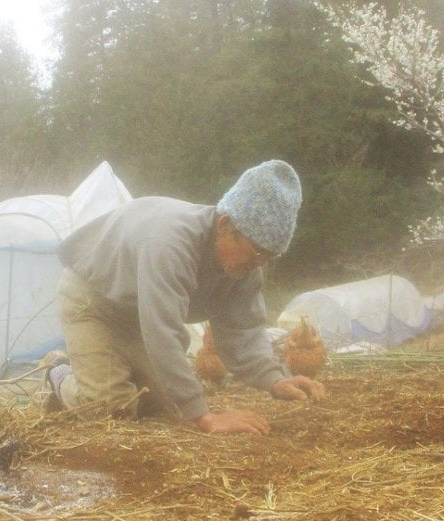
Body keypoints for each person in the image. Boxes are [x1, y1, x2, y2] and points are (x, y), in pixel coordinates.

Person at [44, 159, 325, 435]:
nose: (260, 264)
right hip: (95, 301)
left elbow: (243, 331)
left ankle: (105, 373)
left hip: (139, 315)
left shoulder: (245, 267)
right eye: (257, 251)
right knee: (111, 408)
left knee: (166, 407)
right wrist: (206, 418)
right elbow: (163, 332)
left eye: (270, 256)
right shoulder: (169, 244)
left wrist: (275, 379)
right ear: (226, 225)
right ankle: (58, 375)